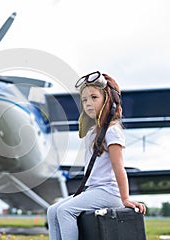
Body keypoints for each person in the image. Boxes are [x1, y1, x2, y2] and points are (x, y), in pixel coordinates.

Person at [46, 71, 146, 240]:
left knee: (65, 211)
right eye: (84, 100)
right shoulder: (93, 132)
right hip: (93, 190)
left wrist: (125, 198)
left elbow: (118, 166)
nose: (88, 103)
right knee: (52, 210)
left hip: (109, 192)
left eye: (94, 97)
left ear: (108, 101)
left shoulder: (113, 131)